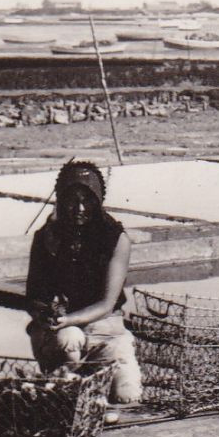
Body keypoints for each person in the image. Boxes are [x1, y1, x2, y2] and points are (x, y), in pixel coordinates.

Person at [24, 159, 142, 404]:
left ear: (98, 201)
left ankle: (91, 387)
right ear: (61, 200)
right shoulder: (47, 237)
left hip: (105, 327)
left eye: (87, 199)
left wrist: (69, 318)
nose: (79, 208)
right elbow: (34, 296)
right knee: (69, 340)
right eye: (71, 200)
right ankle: (72, 388)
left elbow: (107, 304)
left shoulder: (115, 239)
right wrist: (45, 314)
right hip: (62, 331)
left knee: (127, 396)